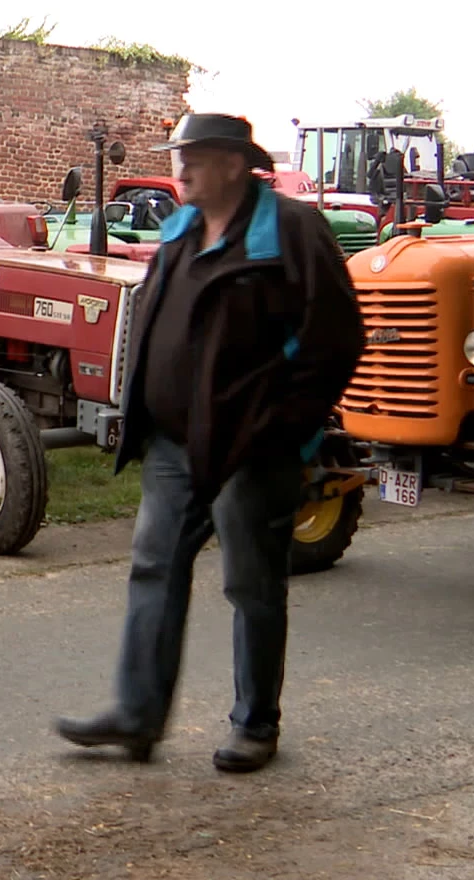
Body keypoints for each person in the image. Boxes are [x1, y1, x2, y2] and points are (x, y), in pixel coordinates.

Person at [54, 114, 364, 773]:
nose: (180, 168)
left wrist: (280, 426)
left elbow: (336, 342)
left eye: (193, 157)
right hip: (173, 441)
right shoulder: (181, 227)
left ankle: (255, 723)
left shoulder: (291, 230)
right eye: (179, 156)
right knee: (153, 567)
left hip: (251, 445)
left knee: (251, 584)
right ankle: (136, 716)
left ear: (232, 163)